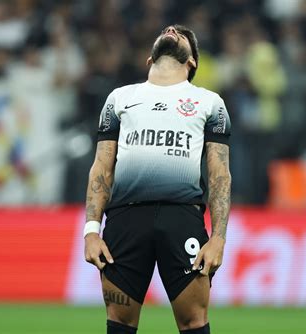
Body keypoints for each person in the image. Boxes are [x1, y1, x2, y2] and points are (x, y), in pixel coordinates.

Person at [83, 25, 231, 334]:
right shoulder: (119, 99)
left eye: (183, 34)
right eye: (168, 30)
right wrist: (91, 231)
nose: (172, 29)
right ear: (150, 59)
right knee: (119, 322)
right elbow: (101, 168)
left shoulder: (210, 103)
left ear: (192, 63)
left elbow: (219, 175)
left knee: (194, 322)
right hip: (125, 218)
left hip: (182, 216)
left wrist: (218, 238)